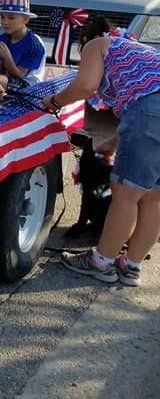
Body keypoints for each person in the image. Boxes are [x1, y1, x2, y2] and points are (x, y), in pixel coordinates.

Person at [44, 16, 160, 287]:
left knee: (126, 195)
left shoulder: (96, 45)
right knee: (154, 197)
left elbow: (85, 85)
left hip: (149, 113)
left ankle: (101, 261)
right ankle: (131, 266)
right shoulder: (134, 50)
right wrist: (115, 142)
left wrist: (54, 101)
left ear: (84, 39)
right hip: (150, 112)